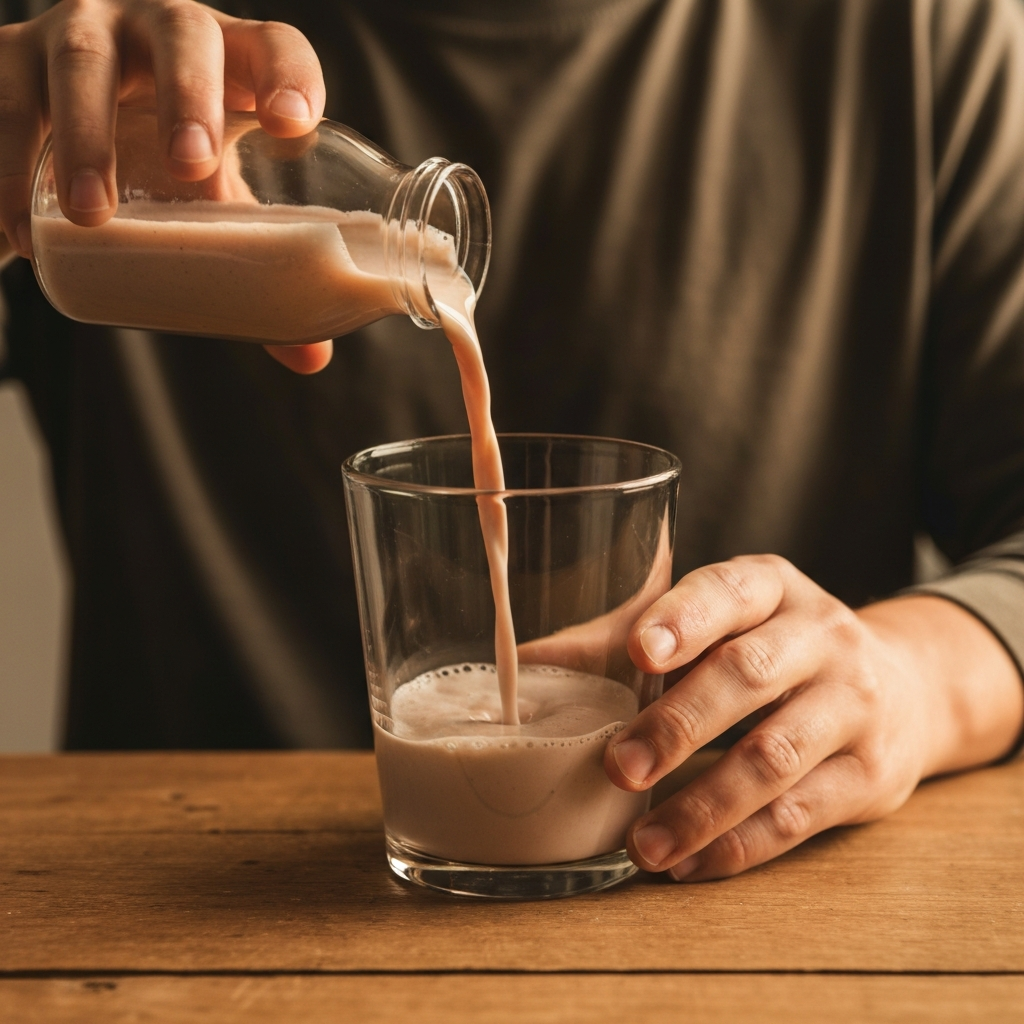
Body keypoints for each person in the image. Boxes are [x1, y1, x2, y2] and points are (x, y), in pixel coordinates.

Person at [1, 0, 1023, 884]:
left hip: (725, 914)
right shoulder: (98, 61)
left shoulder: (918, 36)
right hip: (169, 913)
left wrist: (909, 678)